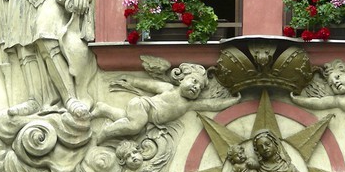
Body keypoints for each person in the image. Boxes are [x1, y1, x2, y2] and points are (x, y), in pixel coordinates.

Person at [93, 63, 240, 142]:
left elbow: (212, 105)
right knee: (135, 126)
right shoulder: (169, 88)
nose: (196, 87)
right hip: (143, 105)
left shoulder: (189, 105)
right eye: (194, 81)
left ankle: (104, 109)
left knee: (128, 120)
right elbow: (148, 85)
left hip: (148, 116)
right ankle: (106, 132)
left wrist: (232, 101)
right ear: (181, 79)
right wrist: (132, 80)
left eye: (200, 88)